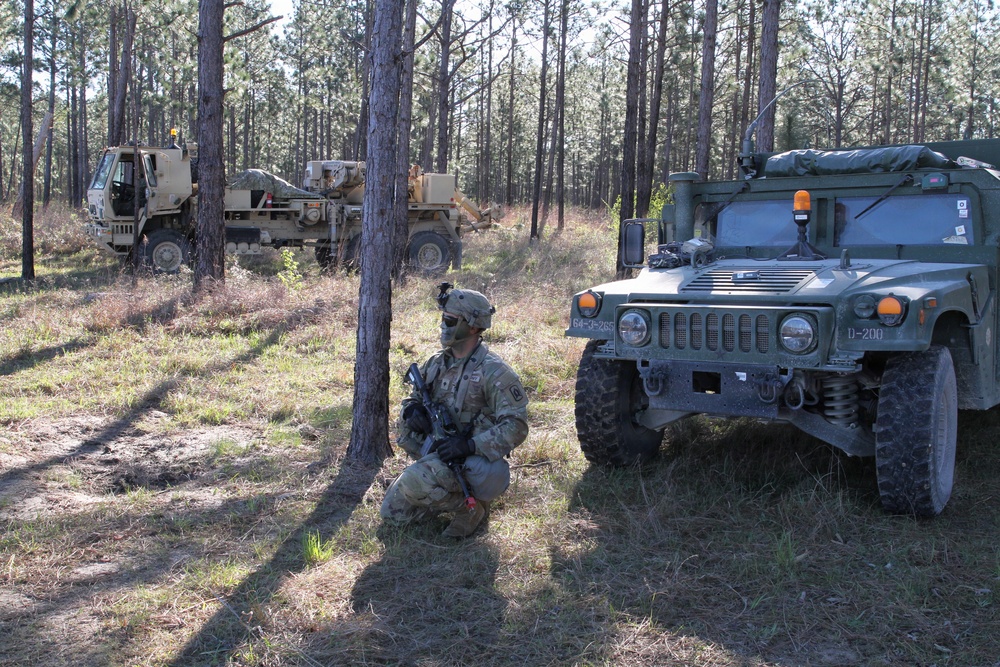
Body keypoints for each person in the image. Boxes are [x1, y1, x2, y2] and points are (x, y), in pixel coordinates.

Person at [381, 284, 529, 538]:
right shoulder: (436, 363)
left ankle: (470, 507)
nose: (443, 325)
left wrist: (470, 445)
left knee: (412, 483)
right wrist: (412, 410)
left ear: (472, 326)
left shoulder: (494, 372)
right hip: (439, 451)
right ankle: (455, 497)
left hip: (471, 461)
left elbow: (516, 426)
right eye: (443, 319)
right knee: (393, 514)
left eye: (450, 320)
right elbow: (413, 397)